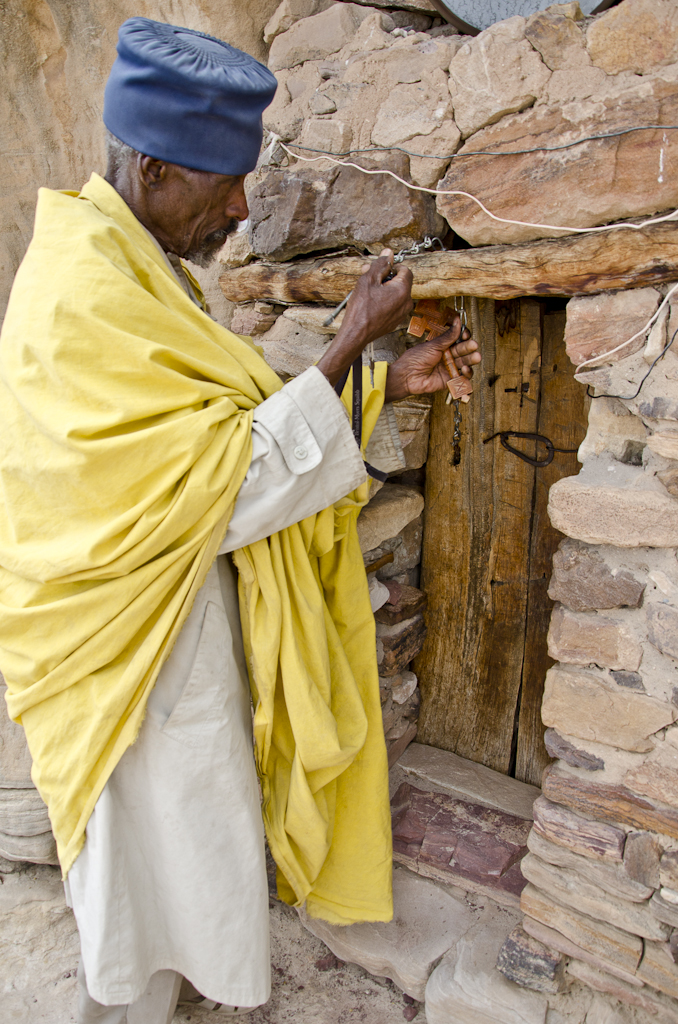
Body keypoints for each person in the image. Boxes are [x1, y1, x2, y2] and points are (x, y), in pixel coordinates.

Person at [0, 17, 480, 1023]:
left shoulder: (136, 269)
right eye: (225, 184)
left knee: (184, 870)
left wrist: (384, 376)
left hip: (169, 640)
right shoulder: (81, 292)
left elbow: (216, 433)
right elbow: (218, 487)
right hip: (124, 662)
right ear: (156, 167)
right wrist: (349, 339)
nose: (241, 207)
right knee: (137, 895)